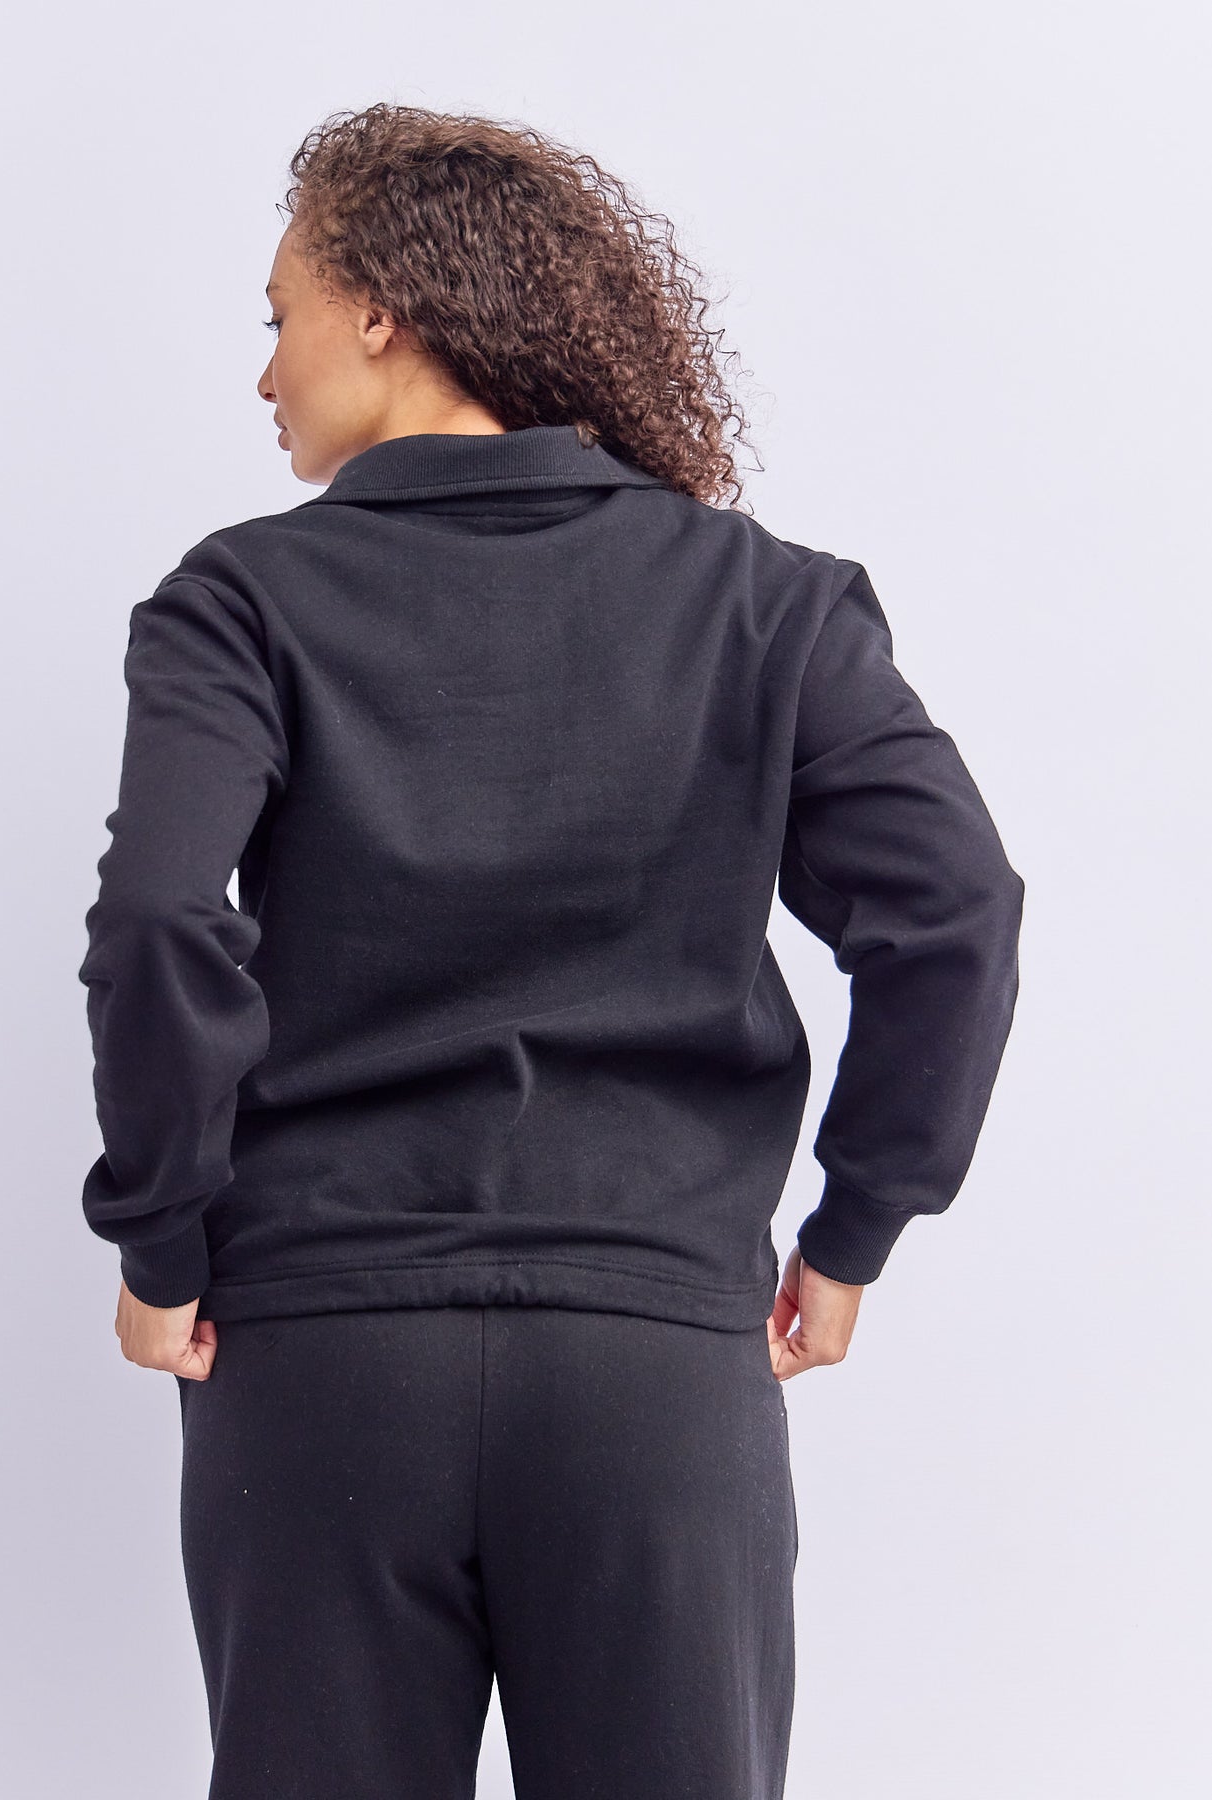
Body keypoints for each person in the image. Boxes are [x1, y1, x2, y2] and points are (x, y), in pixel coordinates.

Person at [76, 102, 1024, 1800]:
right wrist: (854, 1228)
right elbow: (953, 906)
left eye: (279, 315)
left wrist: (160, 1241)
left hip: (319, 1359)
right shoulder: (765, 602)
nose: (266, 371)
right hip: (650, 1361)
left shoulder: (241, 601)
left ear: (381, 311)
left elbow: (158, 914)